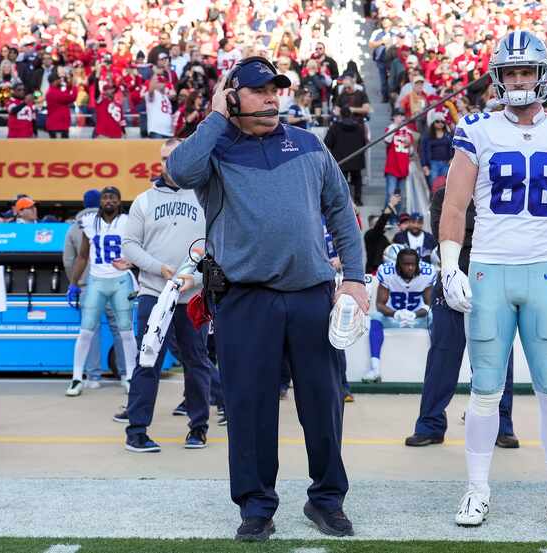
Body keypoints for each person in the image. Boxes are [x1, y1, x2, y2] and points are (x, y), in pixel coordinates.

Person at [167, 56, 365, 541]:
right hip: (244, 300)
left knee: (324, 403)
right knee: (250, 406)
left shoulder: (308, 144)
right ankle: (256, 507)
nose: (272, 97)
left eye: (276, 89)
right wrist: (216, 116)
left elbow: (341, 212)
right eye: (258, 90)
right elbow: (178, 169)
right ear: (232, 97)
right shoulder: (213, 150)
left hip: (310, 295)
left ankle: (326, 500)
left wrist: (356, 278)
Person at [440, 32, 547, 531]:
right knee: (485, 390)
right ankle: (477, 490)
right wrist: (450, 266)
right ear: (497, 77)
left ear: (543, 74)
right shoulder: (477, 129)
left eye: (525, 71)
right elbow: (454, 205)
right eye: (510, 72)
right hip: (490, 268)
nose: (517, 80)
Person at [405, 186, 517, 449]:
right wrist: (476, 232)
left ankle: (501, 426)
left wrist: (464, 232)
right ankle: (430, 425)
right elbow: (444, 234)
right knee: (441, 361)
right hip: (452, 288)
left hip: (493, 287)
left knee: (498, 362)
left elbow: (503, 237)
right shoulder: (444, 195)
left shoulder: (499, 191)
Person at [120, 138, 214, 450]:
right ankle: (136, 431)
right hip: (153, 294)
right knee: (147, 360)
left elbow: (217, 245)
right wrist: (158, 267)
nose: (167, 164)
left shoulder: (206, 197)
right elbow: (129, 245)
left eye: (173, 158)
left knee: (197, 361)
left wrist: (196, 277)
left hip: (192, 296)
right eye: (163, 158)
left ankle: (198, 427)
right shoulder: (143, 201)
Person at [65, 187, 137, 397]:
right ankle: (77, 378)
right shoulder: (89, 223)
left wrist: (133, 265)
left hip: (121, 281)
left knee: (126, 331)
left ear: (119, 201)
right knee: (86, 331)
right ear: (100, 202)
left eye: (112, 198)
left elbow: (138, 248)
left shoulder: (128, 222)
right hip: (96, 280)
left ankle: (130, 376)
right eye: (105, 197)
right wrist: (73, 282)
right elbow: (82, 256)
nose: (108, 201)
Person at [363, 246, 434, 383]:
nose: (410, 268)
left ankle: (438, 367)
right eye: (406, 264)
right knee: (376, 317)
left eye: (413, 264)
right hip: (394, 317)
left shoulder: (427, 272)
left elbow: (429, 304)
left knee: (434, 318)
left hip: (417, 318)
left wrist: (415, 315)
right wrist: (396, 314)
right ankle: (375, 369)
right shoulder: (387, 272)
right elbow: (380, 304)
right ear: (398, 265)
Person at [324, 106, 367, 205]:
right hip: (356, 159)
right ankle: (358, 199)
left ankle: (344, 201)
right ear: (351, 114)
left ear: (341, 115)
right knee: (357, 179)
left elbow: (328, 142)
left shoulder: (335, 126)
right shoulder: (359, 127)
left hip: (341, 159)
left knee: (342, 181)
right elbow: (363, 142)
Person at [45, 73, 76, 139]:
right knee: (59, 148)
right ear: (54, 81)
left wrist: (69, 87)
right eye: (58, 80)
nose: (60, 81)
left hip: (59, 125)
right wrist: (74, 86)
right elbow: (72, 97)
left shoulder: (54, 91)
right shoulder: (54, 92)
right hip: (58, 126)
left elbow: (65, 95)